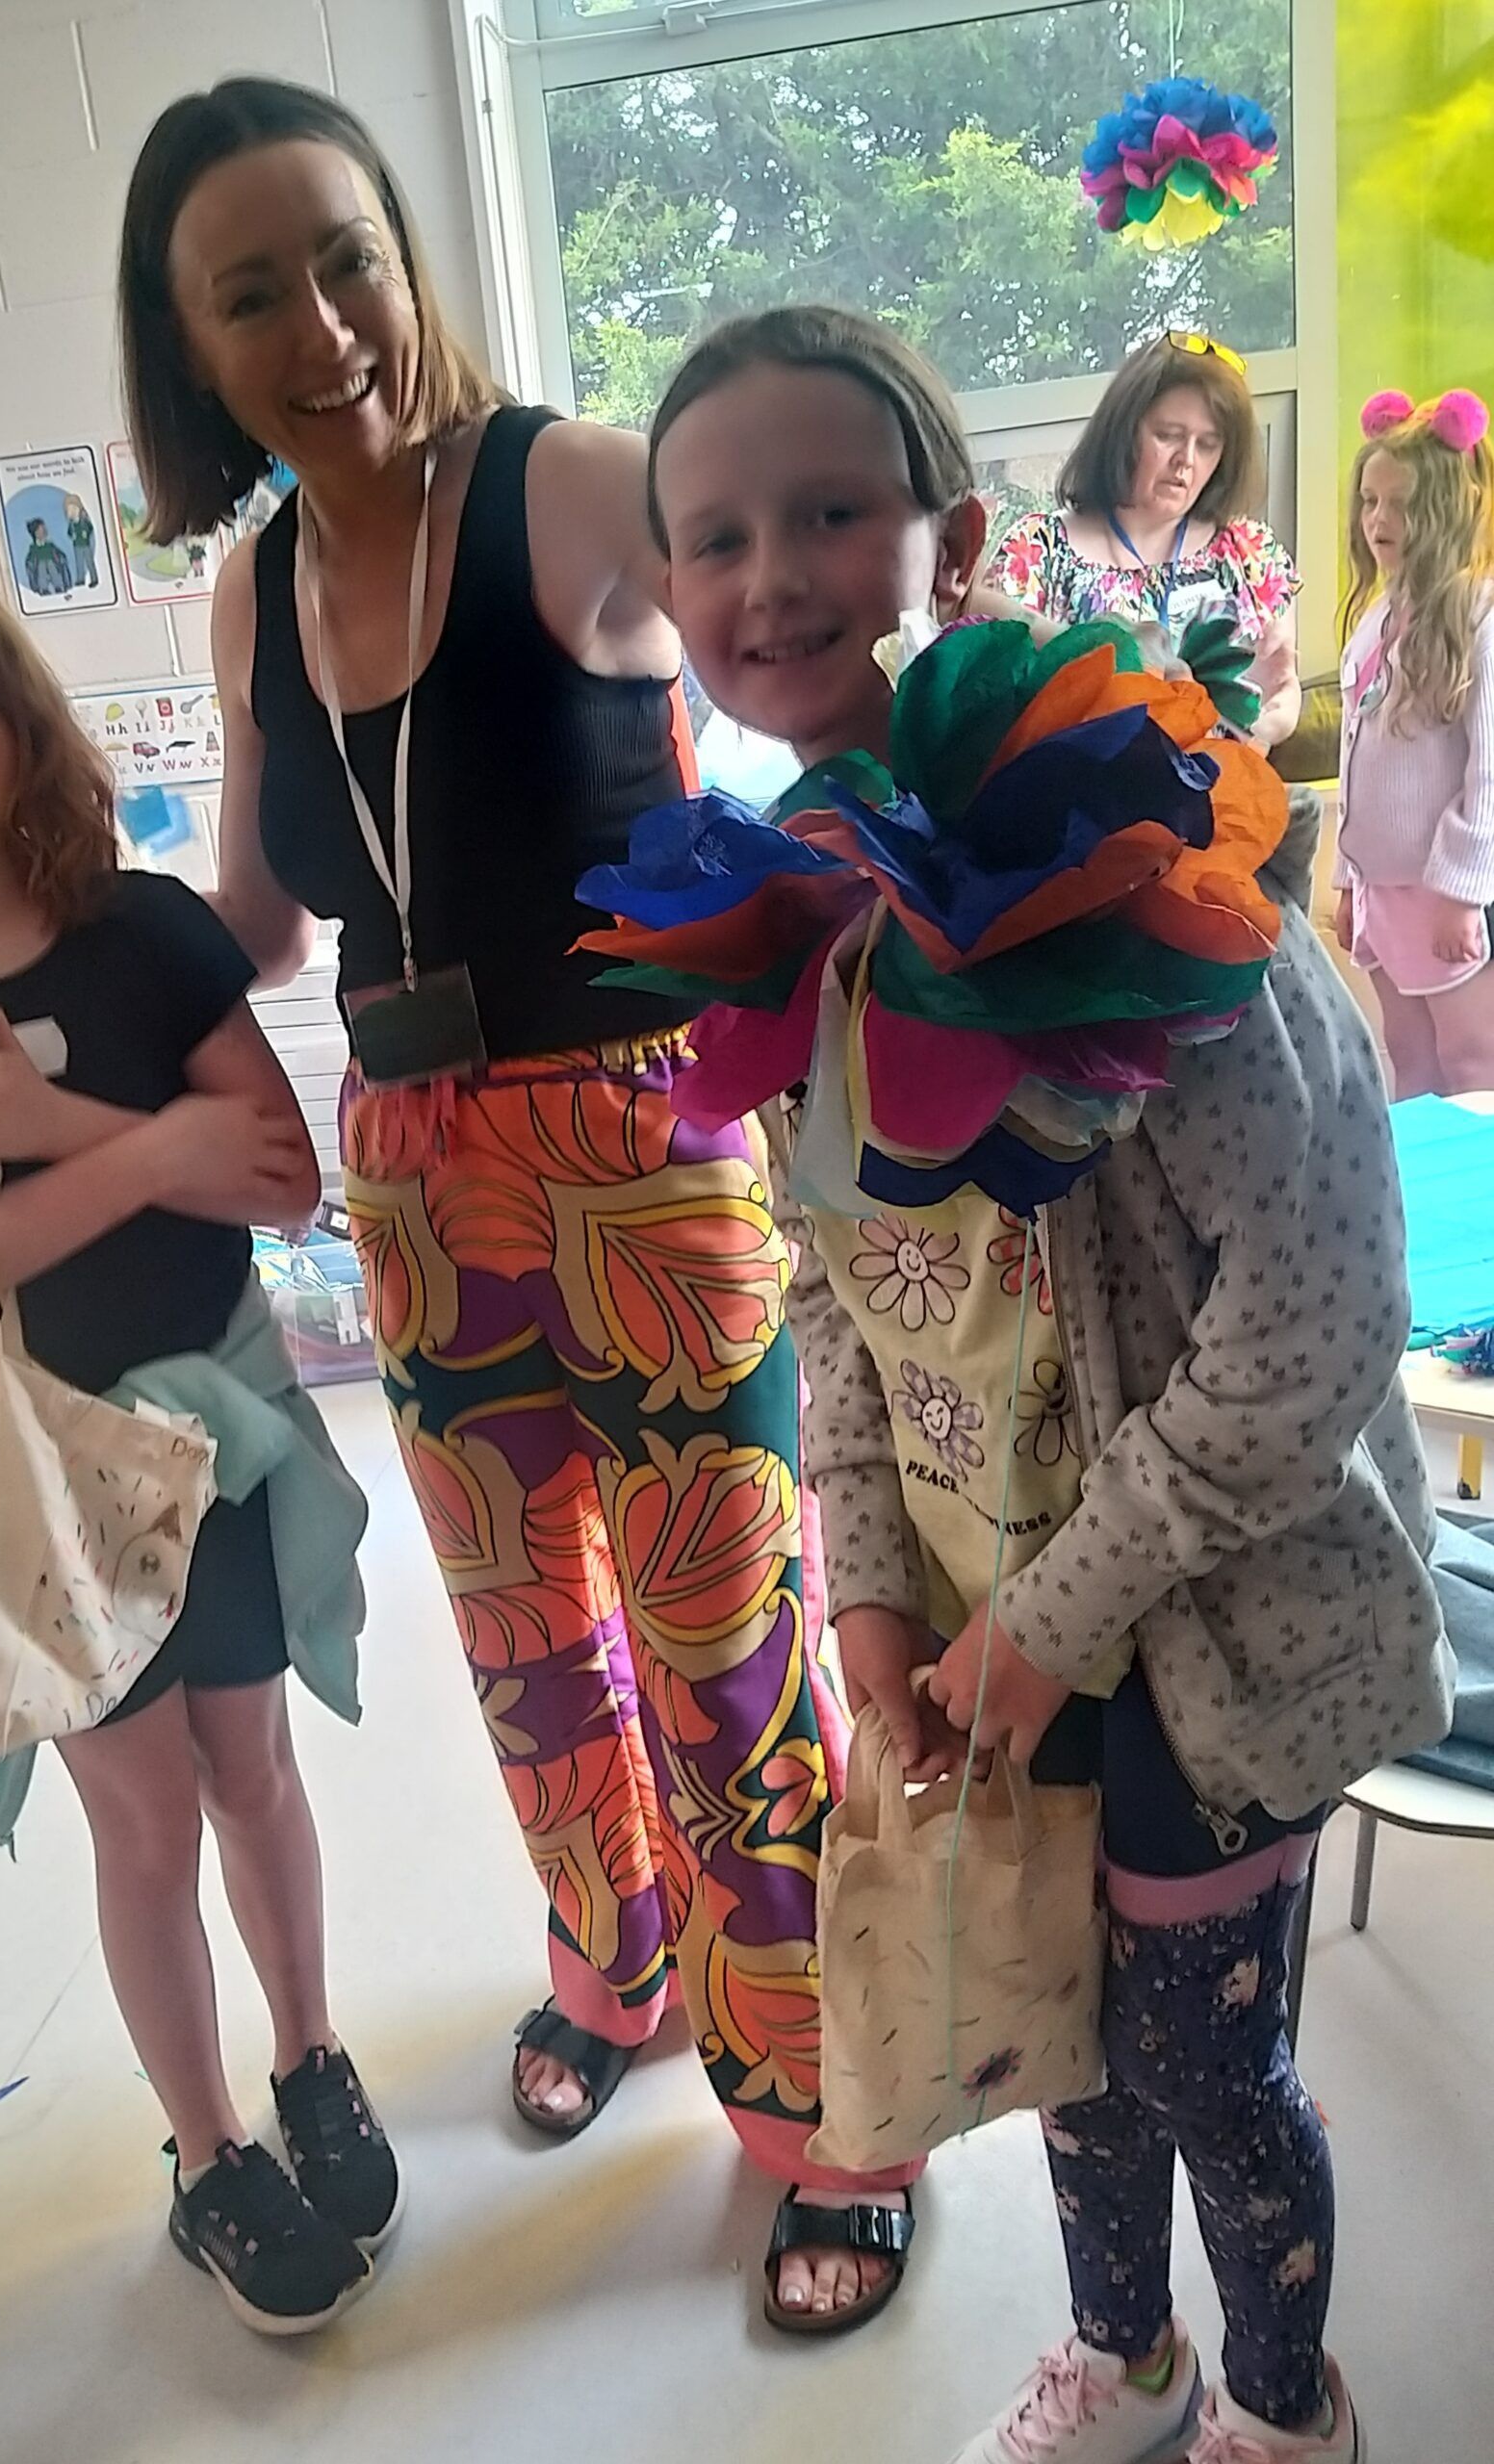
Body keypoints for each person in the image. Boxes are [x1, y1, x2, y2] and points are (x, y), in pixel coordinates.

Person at [116, 73, 914, 2330]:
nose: (319, 323)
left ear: (408, 264)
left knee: (727, 1648)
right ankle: (618, 1960)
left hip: (643, 1143)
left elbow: (788, 621)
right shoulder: (252, 583)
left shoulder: (562, 483)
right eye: (251, 293)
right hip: (409, 1165)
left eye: (347, 259)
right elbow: (262, 916)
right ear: (192, 348)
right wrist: (49, 973)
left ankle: (824, 2100)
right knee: (526, 1639)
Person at [645, 303, 1449, 2461]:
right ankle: (1124, 2358)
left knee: (1207, 2069)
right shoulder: (794, 923)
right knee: (1061, 2040)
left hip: (1209, 1632)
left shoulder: (1145, 863)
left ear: (959, 541)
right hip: (992, 1612)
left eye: (830, 510)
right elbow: (838, 1297)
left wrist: (1051, 1618)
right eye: (713, 536)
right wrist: (868, 1588)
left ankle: (1280, 2411)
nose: (770, 575)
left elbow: (1314, 1322)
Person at [0, 532, 399, 2340]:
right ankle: (208, 2150)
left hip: (220, 1423)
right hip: (25, 1452)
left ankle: (310, 2053)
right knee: (142, 1810)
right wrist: (152, 1149)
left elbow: (277, 1172)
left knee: (254, 1766)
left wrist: (55, 1127)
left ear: (18, 706)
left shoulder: (146, 928)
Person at [987, 332, 1318, 909]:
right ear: (1123, 431)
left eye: (1208, 444)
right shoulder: (1040, 547)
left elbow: (1282, 687)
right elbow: (991, 649)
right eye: (1168, 435)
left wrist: (1266, 727)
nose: (1186, 461)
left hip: (1227, 829)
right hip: (1090, 844)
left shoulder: (1250, 552)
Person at [1336, 387, 1494, 1094]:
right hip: (1385, 890)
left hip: (1449, 890)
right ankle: (1418, 1168)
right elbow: (1355, 755)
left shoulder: (1479, 617)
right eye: (1370, 502)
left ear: (1446, 510)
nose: (1378, 520)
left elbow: (1489, 773)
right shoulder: (1378, 617)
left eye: (1400, 505)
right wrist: (1348, 881)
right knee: (1408, 1051)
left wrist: (1463, 894)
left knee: (1473, 1058)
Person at [64, 490, 101, 588]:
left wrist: (86, 533)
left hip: (85, 544)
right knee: (79, 563)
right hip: (77, 545)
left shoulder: (84, 522)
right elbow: (69, 533)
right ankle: (81, 579)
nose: (72, 512)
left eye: (74, 508)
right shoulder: (72, 524)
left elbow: (90, 528)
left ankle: (94, 579)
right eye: (70, 510)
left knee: (89, 562)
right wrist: (72, 535)